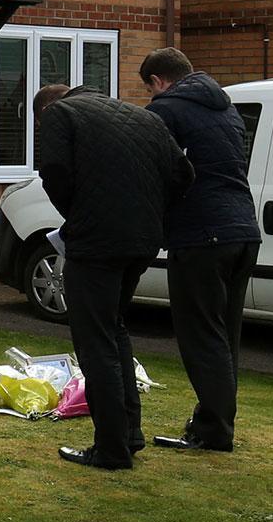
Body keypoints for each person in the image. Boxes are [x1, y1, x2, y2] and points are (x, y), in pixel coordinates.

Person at [33, 82, 192, 469]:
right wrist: (149, 212)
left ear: (45, 109)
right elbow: (183, 174)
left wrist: (78, 212)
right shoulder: (146, 117)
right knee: (115, 329)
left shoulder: (59, 115)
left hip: (96, 242)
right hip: (142, 241)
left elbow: (52, 169)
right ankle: (129, 433)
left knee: (95, 341)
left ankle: (111, 449)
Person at [141, 47, 260, 452]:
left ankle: (213, 432)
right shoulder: (226, 108)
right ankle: (214, 423)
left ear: (158, 81)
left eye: (151, 89)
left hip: (200, 234)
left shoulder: (166, 111)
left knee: (200, 336)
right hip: (244, 229)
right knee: (225, 335)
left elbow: (158, 171)